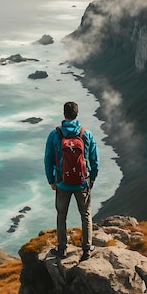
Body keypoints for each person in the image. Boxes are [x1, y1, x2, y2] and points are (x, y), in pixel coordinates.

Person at [44, 101, 99, 261]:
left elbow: (48, 160)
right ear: (77, 114)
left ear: (64, 114)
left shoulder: (55, 135)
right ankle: (87, 249)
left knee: (61, 215)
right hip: (82, 182)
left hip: (62, 182)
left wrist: (51, 180)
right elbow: (95, 161)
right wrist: (91, 179)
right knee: (86, 214)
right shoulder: (86, 134)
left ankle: (62, 249)